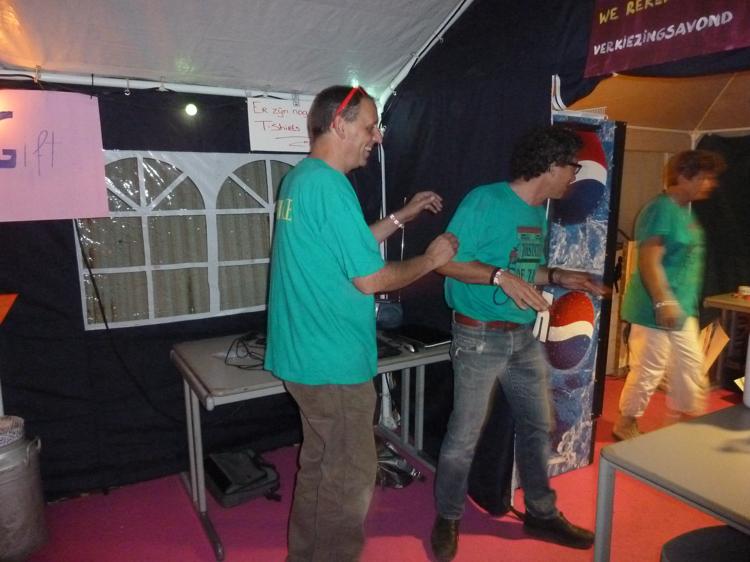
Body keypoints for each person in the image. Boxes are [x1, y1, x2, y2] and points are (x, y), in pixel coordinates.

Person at [264, 84, 458, 562]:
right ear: (339, 124)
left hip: (304, 357)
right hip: (334, 363)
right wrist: (431, 260)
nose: (377, 137)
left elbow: (346, 245)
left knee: (319, 464)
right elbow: (370, 279)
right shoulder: (331, 186)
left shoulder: (301, 179)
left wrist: (401, 216)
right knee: (349, 477)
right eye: (370, 127)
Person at [430, 125, 609, 561]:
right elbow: (445, 263)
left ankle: (541, 513)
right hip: (478, 337)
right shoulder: (485, 200)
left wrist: (559, 276)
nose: (575, 176)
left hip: (522, 338)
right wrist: (498, 276)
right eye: (572, 166)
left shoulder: (537, 214)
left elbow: (527, 272)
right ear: (550, 165)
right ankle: (448, 516)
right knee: (464, 436)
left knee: (538, 425)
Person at [613, 150, 725, 441]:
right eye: (705, 177)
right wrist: (663, 301)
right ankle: (626, 422)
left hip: (681, 308)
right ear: (685, 176)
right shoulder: (660, 209)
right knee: (649, 369)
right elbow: (649, 260)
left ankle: (682, 427)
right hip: (654, 308)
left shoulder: (683, 212)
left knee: (691, 368)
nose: (710, 184)